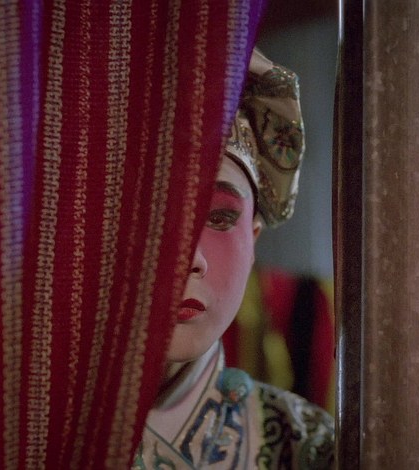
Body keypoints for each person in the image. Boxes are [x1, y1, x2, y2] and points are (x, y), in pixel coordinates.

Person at [133, 49, 335, 470]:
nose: (189, 258)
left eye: (220, 218)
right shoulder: (16, 432)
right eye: (154, 218)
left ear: (253, 237)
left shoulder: (310, 449)